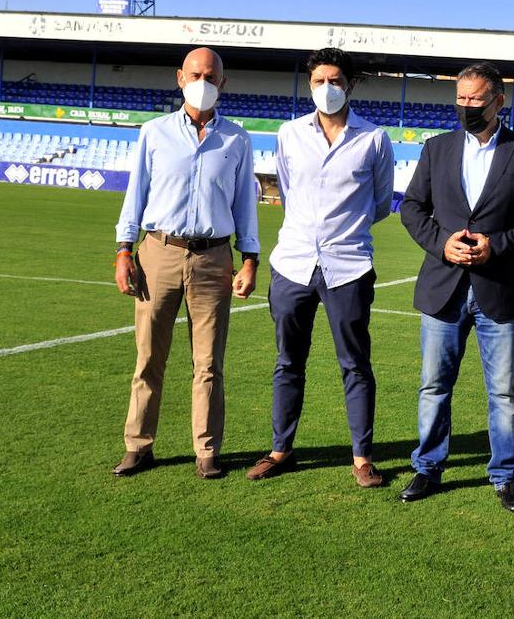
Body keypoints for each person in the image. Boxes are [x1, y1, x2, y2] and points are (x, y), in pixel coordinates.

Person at [398, 62, 514, 512]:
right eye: (461, 99)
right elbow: (412, 208)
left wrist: (499, 245)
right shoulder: (436, 148)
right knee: (433, 386)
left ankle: (505, 475)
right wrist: (441, 244)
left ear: (498, 101)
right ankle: (427, 467)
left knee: (503, 391)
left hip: (500, 290)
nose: (468, 107)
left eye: (476, 99)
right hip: (443, 288)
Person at [244, 48, 394, 488]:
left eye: (334, 80)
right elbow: (288, 193)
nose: (326, 88)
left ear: (349, 84)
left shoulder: (374, 138)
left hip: (348, 266)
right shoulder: (289, 134)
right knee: (288, 361)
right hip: (291, 264)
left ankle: (362, 457)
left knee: (355, 364)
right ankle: (279, 449)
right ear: (309, 85)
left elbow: (380, 202)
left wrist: (341, 232)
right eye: (318, 81)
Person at [112, 47, 259, 480]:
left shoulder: (237, 138)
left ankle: (207, 450)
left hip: (214, 257)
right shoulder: (154, 132)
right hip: (158, 251)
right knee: (148, 358)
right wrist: (124, 249)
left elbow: (244, 204)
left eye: (211, 76)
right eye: (195, 74)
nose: (203, 81)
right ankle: (139, 446)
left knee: (209, 363)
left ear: (223, 83)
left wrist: (249, 260)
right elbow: (135, 192)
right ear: (180, 77)